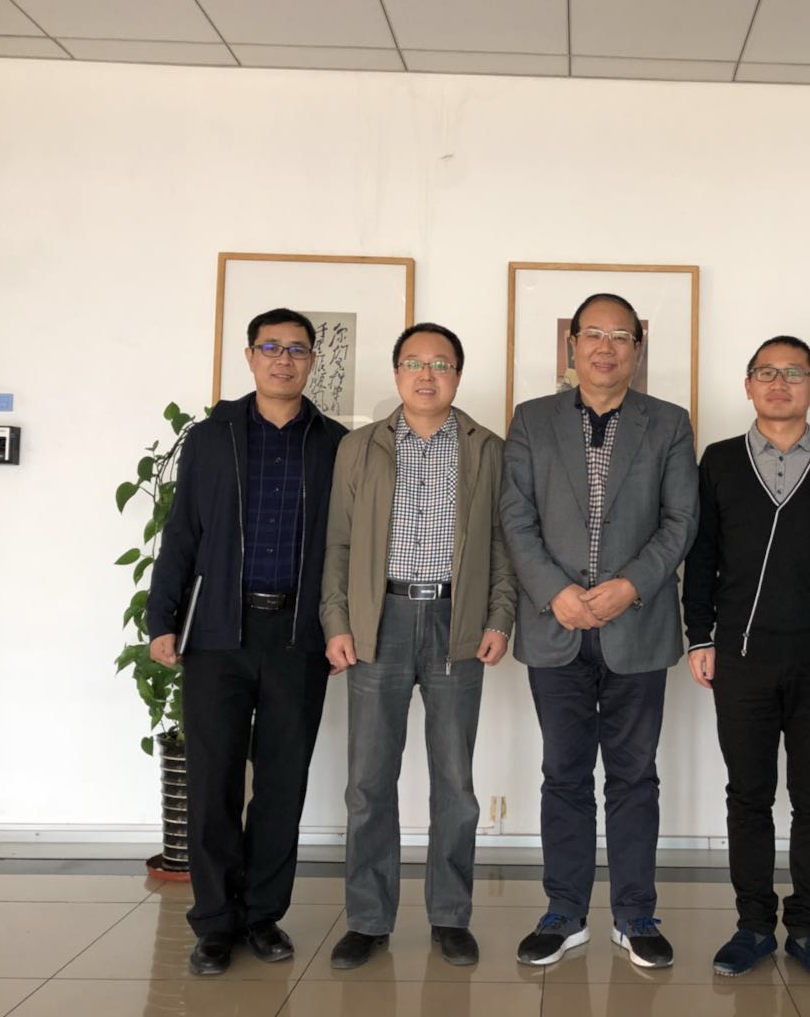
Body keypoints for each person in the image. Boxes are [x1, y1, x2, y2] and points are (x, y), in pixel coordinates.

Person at [500, 292, 700, 969]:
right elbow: (515, 517)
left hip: (636, 624)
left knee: (634, 775)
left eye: (620, 336)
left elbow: (680, 521)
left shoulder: (668, 423)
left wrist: (628, 586)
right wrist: (556, 592)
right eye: (593, 334)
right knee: (563, 773)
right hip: (554, 625)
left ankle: (636, 914)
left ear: (637, 349)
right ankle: (564, 911)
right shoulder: (532, 420)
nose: (605, 347)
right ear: (572, 345)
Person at [147, 308, 347, 976]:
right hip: (216, 633)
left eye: (297, 349)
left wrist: (338, 626)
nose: (284, 359)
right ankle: (213, 922)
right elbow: (182, 531)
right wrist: (162, 619)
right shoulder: (211, 437)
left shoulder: (334, 443)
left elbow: (346, 546)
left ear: (312, 360)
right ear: (250, 356)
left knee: (283, 783)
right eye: (271, 347)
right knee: (213, 781)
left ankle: (262, 916)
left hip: (298, 634)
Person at [320, 322, 517, 969]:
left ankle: (450, 916)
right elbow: (339, 544)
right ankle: (368, 920)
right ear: (397, 373)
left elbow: (504, 544)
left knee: (455, 781)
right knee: (369, 782)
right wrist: (337, 621)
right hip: (379, 621)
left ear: (458, 374)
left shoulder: (487, 449)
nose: (426, 375)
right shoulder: (360, 448)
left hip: (457, 622)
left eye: (440, 364)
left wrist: (499, 617)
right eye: (414, 363)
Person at [683, 335, 810, 986]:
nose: (779, 382)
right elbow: (702, 556)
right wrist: (700, 636)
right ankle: (754, 925)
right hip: (742, 657)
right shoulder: (720, 460)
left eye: (794, 373)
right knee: (749, 795)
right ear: (748, 385)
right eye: (766, 372)